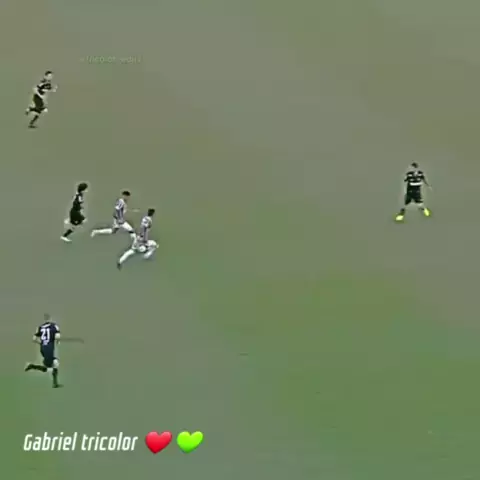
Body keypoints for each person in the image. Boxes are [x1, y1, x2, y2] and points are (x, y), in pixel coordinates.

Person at [25, 314, 61, 388]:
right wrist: (58, 341)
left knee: (54, 364)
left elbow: (34, 339)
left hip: (43, 349)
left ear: (44, 320)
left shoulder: (40, 327)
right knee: (51, 366)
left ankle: (55, 383)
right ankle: (32, 366)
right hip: (49, 349)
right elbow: (57, 337)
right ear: (50, 319)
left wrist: (41, 343)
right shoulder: (54, 326)